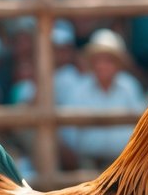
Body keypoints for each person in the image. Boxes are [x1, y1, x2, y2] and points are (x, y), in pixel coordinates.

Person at [57, 29, 143, 170]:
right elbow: (68, 133)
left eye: (108, 60)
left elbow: (140, 128)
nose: (102, 65)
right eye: (98, 60)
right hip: (87, 164)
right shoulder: (79, 89)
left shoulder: (129, 86)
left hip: (124, 164)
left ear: (118, 64)